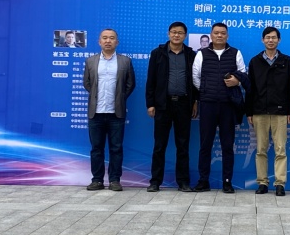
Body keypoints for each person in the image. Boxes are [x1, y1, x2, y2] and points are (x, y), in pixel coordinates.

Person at [193, 23, 248, 193]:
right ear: (211, 35)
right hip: (208, 104)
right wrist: (206, 90)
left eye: (223, 33)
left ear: (227, 36)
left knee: (227, 145)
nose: (219, 36)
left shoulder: (235, 53)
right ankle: (203, 181)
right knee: (205, 145)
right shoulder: (201, 54)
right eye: (216, 33)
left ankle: (227, 182)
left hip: (228, 105)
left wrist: (237, 81)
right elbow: (195, 77)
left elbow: (243, 74)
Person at [145, 21, 198, 192]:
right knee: (159, 145)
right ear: (168, 34)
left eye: (180, 33)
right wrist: (150, 104)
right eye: (174, 32)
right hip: (163, 104)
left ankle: (183, 182)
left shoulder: (191, 54)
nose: (177, 35)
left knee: (183, 145)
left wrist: (195, 101)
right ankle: (155, 181)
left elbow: (196, 81)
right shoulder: (158, 53)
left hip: (184, 104)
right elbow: (151, 80)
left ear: (185, 35)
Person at [246, 26, 290, 197]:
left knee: (280, 150)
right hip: (259, 111)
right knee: (261, 149)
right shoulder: (255, 61)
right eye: (267, 37)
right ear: (262, 40)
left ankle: (280, 183)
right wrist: (249, 112)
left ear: (279, 40)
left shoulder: (286, 61)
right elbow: (250, 89)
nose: (270, 40)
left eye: (274, 37)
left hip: (280, 112)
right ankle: (262, 182)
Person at [84, 29, 136, 191]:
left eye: (112, 38)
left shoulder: (125, 61)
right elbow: (87, 83)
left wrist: (120, 98)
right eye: (105, 38)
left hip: (116, 113)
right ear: (99, 41)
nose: (108, 41)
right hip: (96, 112)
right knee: (96, 149)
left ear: (117, 42)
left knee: (116, 148)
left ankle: (114, 180)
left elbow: (130, 84)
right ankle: (97, 180)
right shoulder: (90, 61)